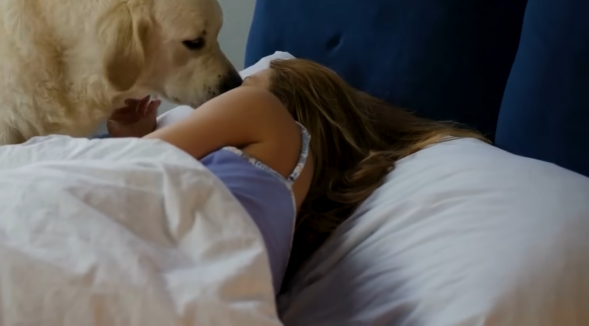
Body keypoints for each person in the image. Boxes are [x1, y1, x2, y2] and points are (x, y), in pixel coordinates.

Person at [107, 58, 486, 293]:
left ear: (286, 103)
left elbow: (116, 173)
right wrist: (136, 136)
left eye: (246, 83)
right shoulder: (286, 218)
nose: (213, 103)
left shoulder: (257, 105)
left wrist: (134, 143)